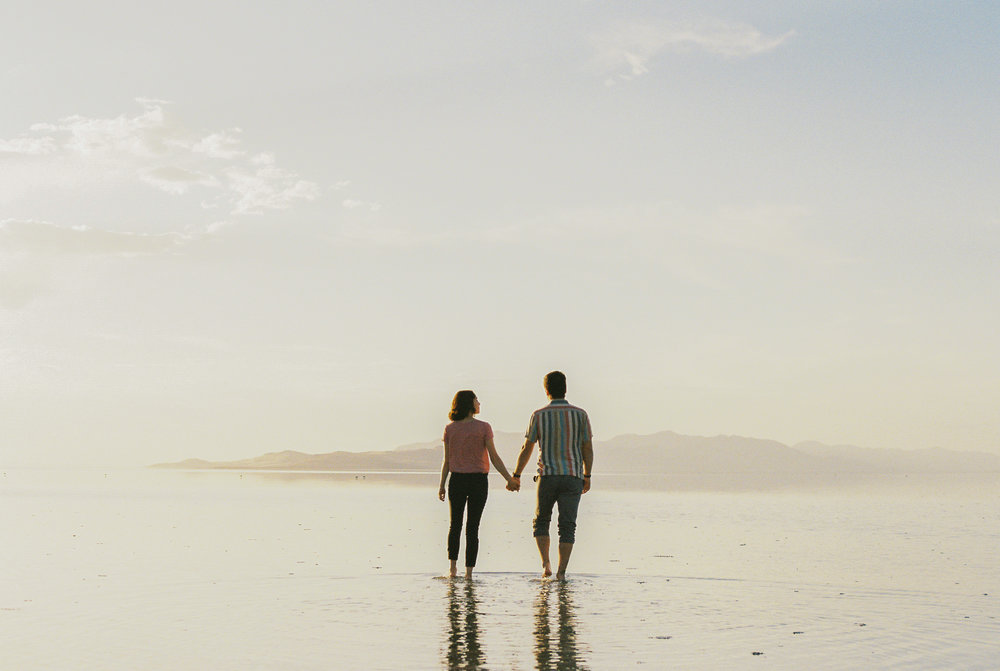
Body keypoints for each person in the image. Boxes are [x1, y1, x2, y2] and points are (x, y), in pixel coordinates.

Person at [509, 371, 593, 580]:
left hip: (546, 476)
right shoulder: (580, 414)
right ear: (565, 388)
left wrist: (517, 474)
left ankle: (546, 564)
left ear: (546, 390)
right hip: (573, 476)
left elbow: (527, 447)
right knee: (567, 526)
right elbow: (587, 448)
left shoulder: (538, 415)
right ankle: (561, 572)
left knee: (541, 521)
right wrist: (587, 474)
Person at [438, 390, 515, 579]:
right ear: (470, 404)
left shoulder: (450, 428)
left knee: (455, 525)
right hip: (477, 482)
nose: (479, 403)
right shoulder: (483, 427)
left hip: (457, 480)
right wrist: (509, 479)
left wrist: (442, 485)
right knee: (472, 527)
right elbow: (494, 457)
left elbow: (446, 461)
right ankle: (469, 573)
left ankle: (452, 569)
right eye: (477, 400)